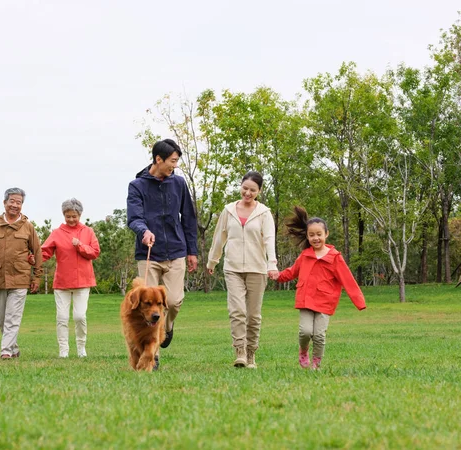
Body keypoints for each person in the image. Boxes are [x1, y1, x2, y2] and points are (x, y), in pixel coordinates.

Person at [127, 138, 198, 370]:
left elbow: (188, 217)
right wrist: (144, 231)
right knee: (148, 307)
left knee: (174, 301)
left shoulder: (178, 184)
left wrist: (192, 251)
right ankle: (153, 356)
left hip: (176, 251)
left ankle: (166, 329)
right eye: (172, 161)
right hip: (148, 253)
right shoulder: (137, 186)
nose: (174, 166)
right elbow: (134, 218)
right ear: (158, 159)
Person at [269, 206, 366, 370]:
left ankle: (316, 363)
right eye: (311, 235)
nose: (315, 238)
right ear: (307, 236)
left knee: (319, 335)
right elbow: (292, 272)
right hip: (306, 299)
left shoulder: (334, 257)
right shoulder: (305, 255)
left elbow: (348, 280)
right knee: (305, 332)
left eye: (319, 234)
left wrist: (359, 301)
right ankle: (303, 351)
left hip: (325, 302)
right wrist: (278, 276)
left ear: (326, 234)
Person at [206, 171, 279, 369]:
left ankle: (251, 353)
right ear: (240, 186)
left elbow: (269, 239)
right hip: (233, 267)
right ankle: (240, 351)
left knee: (253, 315)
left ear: (259, 191)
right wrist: (212, 261)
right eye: (245, 188)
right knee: (237, 311)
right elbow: (219, 237)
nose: (247, 193)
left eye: (252, 190)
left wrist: (272, 264)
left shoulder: (264, 213)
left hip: (257, 268)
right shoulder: (228, 210)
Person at [0, 187, 43, 359]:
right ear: (5, 203)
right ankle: (14, 348)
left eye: (19, 202)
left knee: (12, 318)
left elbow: (37, 252)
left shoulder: (28, 227)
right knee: (2, 318)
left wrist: (36, 277)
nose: (15, 205)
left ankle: (5, 351)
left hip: (20, 278)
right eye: (12, 201)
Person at [40, 198, 100, 358]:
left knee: (80, 316)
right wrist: (32, 257)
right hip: (62, 283)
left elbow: (95, 252)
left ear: (80, 214)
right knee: (62, 317)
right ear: (63, 215)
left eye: (74, 216)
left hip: (83, 282)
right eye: (68, 216)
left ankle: (81, 348)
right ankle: (63, 351)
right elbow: (44, 252)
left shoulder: (88, 232)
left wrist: (80, 245)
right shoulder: (56, 233)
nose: (71, 219)